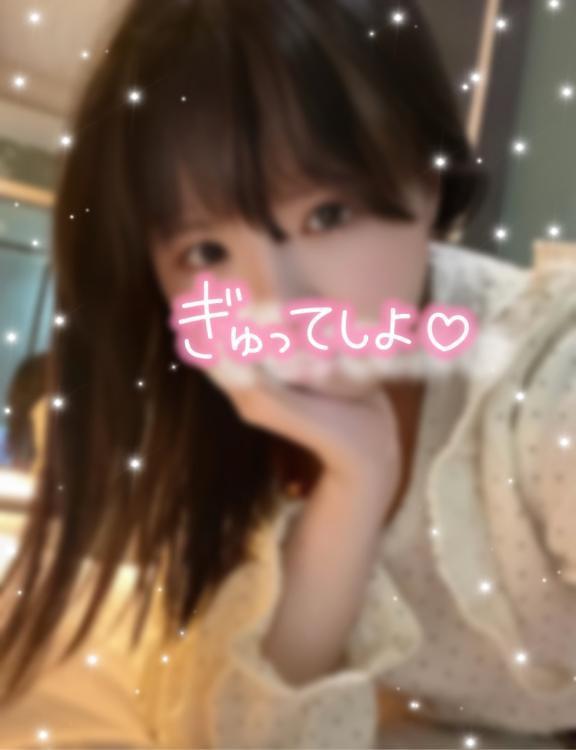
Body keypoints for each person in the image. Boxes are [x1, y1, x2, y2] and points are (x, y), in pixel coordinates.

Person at [0, 0, 575, 747]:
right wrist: (354, 488)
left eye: (327, 214)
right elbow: (238, 736)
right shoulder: (218, 424)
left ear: (428, 178)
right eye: (205, 252)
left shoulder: (545, 378)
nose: (279, 304)